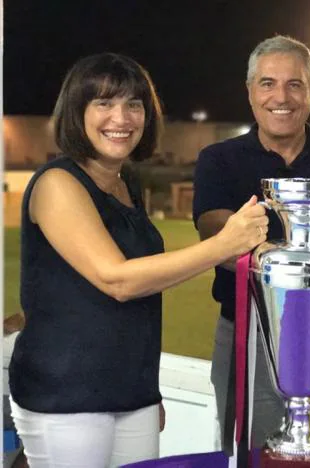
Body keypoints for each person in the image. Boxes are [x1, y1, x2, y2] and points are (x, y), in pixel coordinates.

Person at [8, 53, 268, 468]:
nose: (122, 117)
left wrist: (148, 392)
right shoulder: (58, 182)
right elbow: (118, 281)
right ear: (77, 111)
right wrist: (223, 245)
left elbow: (139, 301)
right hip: (65, 397)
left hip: (133, 395)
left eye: (134, 104)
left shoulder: (127, 181)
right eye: (104, 103)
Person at [192, 35, 310, 447]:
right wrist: (277, 257)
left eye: (295, 84)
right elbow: (213, 231)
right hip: (245, 332)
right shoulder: (219, 159)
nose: (282, 96)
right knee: (248, 451)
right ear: (250, 92)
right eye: (268, 83)